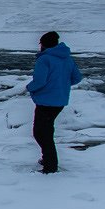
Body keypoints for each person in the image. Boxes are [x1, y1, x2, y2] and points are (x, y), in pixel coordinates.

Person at [25, 31, 82, 173]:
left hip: (45, 101)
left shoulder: (45, 60)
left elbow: (39, 81)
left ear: (43, 44)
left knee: (41, 133)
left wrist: (29, 88)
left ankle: (50, 166)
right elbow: (76, 78)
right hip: (60, 101)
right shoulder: (67, 59)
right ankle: (48, 160)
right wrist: (61, 84)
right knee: (46, 131)